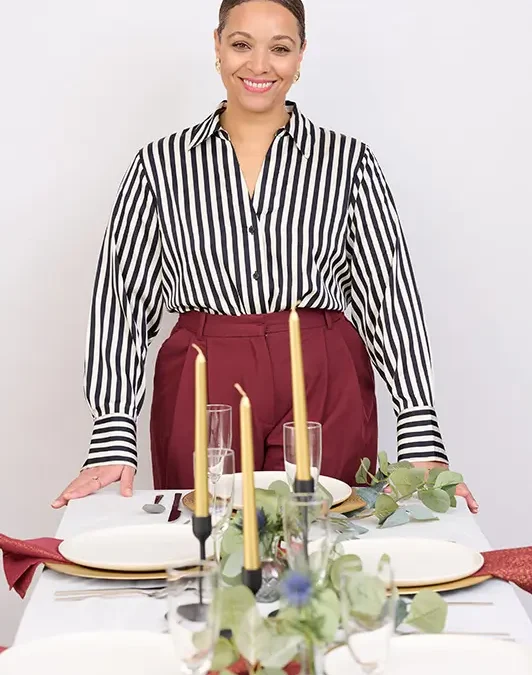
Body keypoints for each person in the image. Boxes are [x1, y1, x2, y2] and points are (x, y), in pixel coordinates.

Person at [52, 0, 477, 512]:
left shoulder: (347, 162)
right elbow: (122, 299)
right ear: (217, 45)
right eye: (241, 44)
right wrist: (112, 434)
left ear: (301, 55)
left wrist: (420, 433)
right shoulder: (160, 164)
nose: (259, 65)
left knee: (322, 534)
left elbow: (390, 296)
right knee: (207, 537)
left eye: (279, 48)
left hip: (323, 373)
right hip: (203, 373)